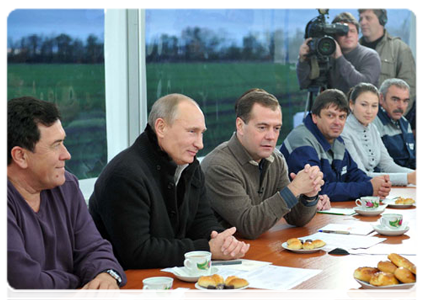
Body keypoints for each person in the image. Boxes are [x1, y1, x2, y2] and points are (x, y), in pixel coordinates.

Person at [89, 94, 250, 269]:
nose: (200, 144)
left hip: (171, 274)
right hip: (131, 284)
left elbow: (202, 221)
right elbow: (137, 252)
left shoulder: (191, 167)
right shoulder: (125, 175)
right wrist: (207, 249)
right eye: (192, 132)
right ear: (161, 127)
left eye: (201, 133)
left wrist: (222, 240)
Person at [5, 97, 126, 300]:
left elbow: (95, 248)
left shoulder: (66, 185)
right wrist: (77, 278)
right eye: (56, 145)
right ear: (20, 156)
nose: (67, 155)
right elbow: (24, 287)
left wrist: (106, 275)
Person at [201, 89, 327, 240]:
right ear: (240, 126)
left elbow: (296, 219)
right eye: (262, 127)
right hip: (224, 257)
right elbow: (249, 225)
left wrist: (309, 195)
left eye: (276, 128)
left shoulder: (276, 159)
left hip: (256, 252)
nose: (271, 136)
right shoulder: (218, 165)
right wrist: (294, 189)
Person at [280, 89, 392, 202]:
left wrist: (377, 185)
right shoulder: (302, 141)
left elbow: (353, 173)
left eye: (342, 117)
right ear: (315, 117)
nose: (337, 122)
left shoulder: (337, 139)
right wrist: (368, 188)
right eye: (330, 115)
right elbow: (317, 190)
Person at [341, 83, 420, 186]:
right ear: (351, 104)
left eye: (374, 106)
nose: (369, 111)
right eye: (364, 105)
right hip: (357, 190)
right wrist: (408, 178)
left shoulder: (372, 128)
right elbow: (361, 175)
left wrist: (415, 175)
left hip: (375, 189)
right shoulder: (344, 130)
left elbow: (388, 165)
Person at [297, 12, 381, 95]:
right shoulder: (327, 55)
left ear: (357, 34)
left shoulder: (370, 56)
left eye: (352, 31)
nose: (348, 35)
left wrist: (339, 58)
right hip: (334, 106)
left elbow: (362, 88)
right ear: (334, 35)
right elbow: (304, 84)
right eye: (342, 32)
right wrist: (303, 60)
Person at [358, 8, 419, 113]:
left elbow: (410, 88)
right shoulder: (353, 49)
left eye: (368, 18)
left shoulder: (399, 49)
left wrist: (396, 118)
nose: (363, 22)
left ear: (382, 20)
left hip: (386, 121)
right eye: (361, 18)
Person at [373, 78, 420, 170]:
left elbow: (414, 160)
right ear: (381, 99)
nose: (401, 106)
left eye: (405, 101)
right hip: (391, 180)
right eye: (395, 100)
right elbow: (378, 166)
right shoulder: (373, 123)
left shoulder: (405, 123)